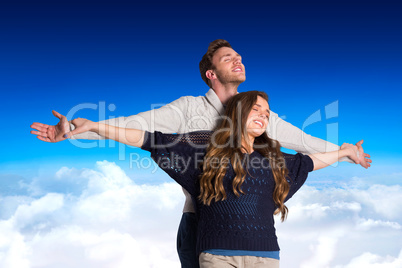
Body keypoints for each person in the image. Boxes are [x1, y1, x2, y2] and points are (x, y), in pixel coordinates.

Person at [30, 39, 371, 267]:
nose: (238, 60)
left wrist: (346, 151)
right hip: (200, 223)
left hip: (252, 228)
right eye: (228, 58)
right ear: (212, 74)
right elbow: (140, 127)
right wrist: (83, 127)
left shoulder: (259, 115)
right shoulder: (188, 108)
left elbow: (306, 144)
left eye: (239, 57)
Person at [64, 91, 364, 267]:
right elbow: (147, 138)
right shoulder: (204, 153)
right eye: (255, 108)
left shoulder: (274, 160)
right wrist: (94, 126)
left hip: (267, 257)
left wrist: (345, 152)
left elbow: (310, 161)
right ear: (236, 115)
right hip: (218, 256)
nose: (264, 114)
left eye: (267, 112)